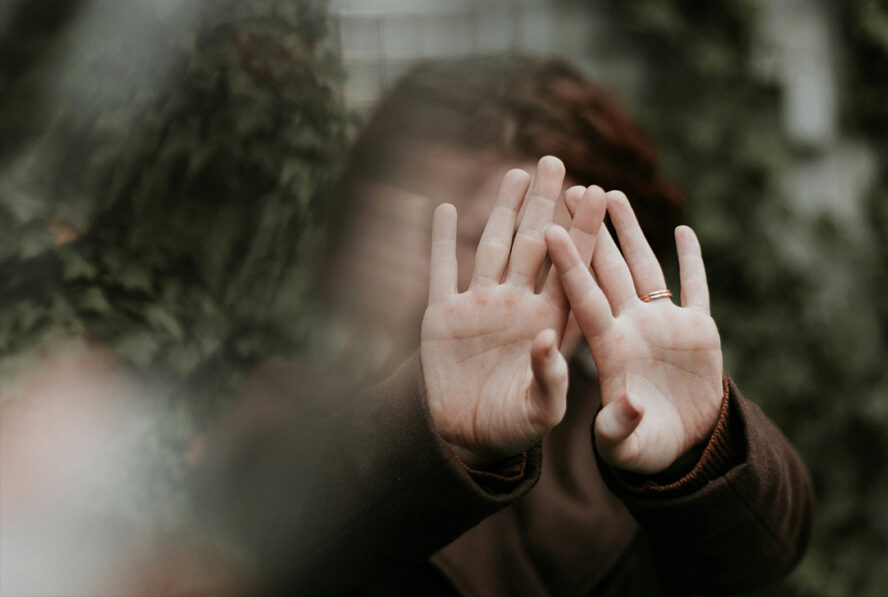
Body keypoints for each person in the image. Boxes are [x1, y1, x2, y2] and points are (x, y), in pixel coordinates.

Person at [193, 56, 814, 596]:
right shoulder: (285, 411)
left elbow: (763, 557)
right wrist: (439, 435)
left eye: (549, 250)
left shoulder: (631, 435)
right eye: (470, 237)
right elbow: (264, 542)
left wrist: (702, 452)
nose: (503, 288)